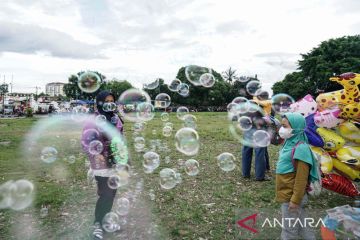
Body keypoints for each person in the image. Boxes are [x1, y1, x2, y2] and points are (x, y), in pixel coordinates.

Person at [81, 90, 124, 240]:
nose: (109, 104)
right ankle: (98, 225)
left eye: (112, 101)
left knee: (112, 194)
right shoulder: (93, 120)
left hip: (115, 161)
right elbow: (86, 141)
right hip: (101, 164)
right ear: (99, 102)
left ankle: (106, 221)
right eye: (106, 101)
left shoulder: (116, 118)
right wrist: (96, 153)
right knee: (105, 195)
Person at [275, 112, 319, 239]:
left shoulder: (301, 149)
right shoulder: (289, 143)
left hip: (292, 197)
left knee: (289, 230)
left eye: (285, 126)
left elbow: (301, 179)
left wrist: (294, 201)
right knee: (302, 225)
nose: (282, 129)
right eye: (282, 126)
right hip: (288, 194)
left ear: (297, 127)